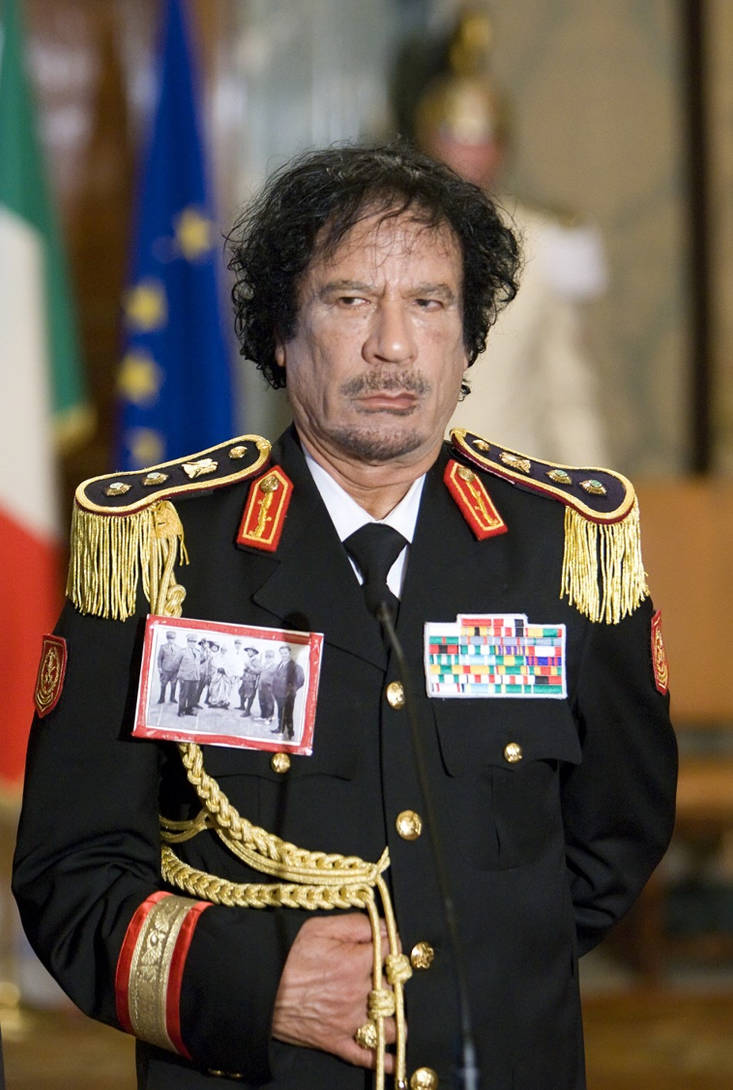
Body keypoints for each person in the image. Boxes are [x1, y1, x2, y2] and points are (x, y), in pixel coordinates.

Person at [13, 143, 676, 1090]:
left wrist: (466, 971)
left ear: (467, 340)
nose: (392, 345)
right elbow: (70, 876)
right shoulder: (162, 554)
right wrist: (260, 988)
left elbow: (612, 839)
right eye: (350, 299)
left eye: (430, 303)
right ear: (281, 335)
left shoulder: (563, 550)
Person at [401, 8, 610, 465]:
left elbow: (567, 391)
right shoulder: (389, 239)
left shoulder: (544, 241)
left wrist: (593, 491)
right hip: (408, 477)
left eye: (483, 138)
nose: (470, 154)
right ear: (427, 141)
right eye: (455, 136)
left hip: (513, 476)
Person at [272, 645, 305, 739]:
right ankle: (280, 728)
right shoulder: (279, 665)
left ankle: (290, 733)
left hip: (288, 695)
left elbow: (300, 680)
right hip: (278, 694)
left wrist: (291, 690)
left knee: (288, 713)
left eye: (286, 653)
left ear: (290, 653)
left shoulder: (295, 666)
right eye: (282, 653)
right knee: (280, 712)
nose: (284, 655)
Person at [156, 629, 182, 703]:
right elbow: (159, 658)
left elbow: (180, 659)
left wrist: (179, 669)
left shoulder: (178, 648)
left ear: (174, 639)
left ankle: (172, 698)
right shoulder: (163, 647)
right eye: (169, 639)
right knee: (163, 684)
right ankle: (162, 698)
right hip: (165, 670)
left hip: (175, 670)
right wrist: (159, 667)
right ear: (167, 639)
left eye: (172, 639)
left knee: (174, 685)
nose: (171, 640)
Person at [239, 645, 261, 717]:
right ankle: (242, 706)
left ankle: (248, 711)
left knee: (250, 695)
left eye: (250, 651)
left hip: (252, 680)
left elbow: (258, 671)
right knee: (241, 692)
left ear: (254, 652)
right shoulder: (250, 659)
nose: (248, 652)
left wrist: (249, 666)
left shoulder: (256, 660)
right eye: (248, 651)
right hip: (246, 679)